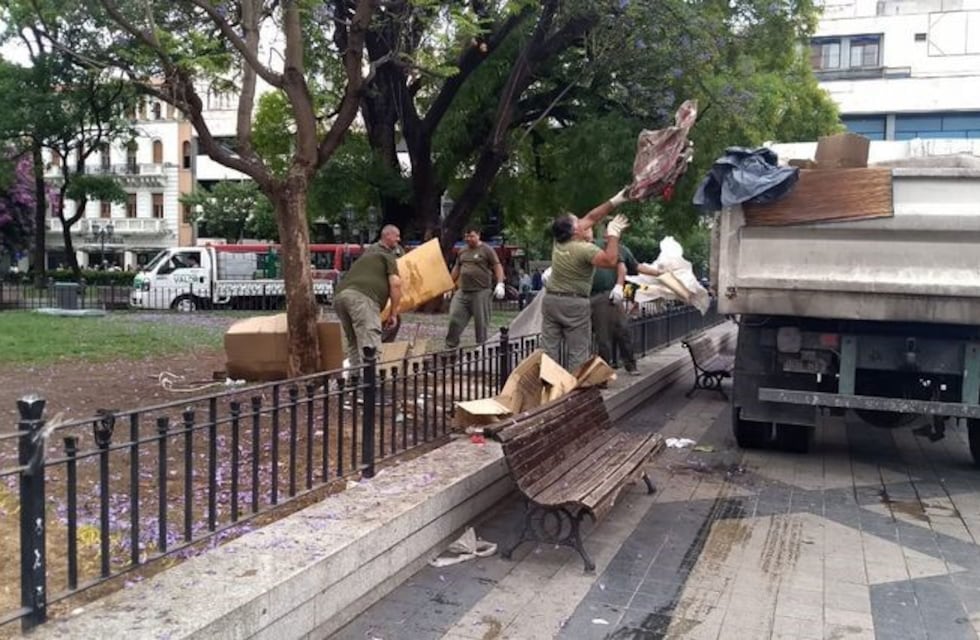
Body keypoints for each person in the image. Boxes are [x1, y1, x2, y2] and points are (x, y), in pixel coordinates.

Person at [542, 188, 631, 372]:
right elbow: (610, 260)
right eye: (578, 221)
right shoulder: (584, 249)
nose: (584, 223)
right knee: (578, 352)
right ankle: (576, 391)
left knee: (550, 350)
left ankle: (549, 388)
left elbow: (592, 216)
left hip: (551, 301)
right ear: (575, 230)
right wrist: (613, 235)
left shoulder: (559, 241)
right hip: (574, 304)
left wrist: (616, 200)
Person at [333, 224, 403, 367]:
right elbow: (395, 284)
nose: (399, 239)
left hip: (340, 297)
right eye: (397, 236)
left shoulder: (368, 255)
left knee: (353, 341)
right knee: (370, 341)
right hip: (362, 298)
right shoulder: (387, 256)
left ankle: (354, 379)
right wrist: (394, 313)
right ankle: (372, 383)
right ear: (387, 235)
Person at [590, 229, 640, 375]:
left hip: (613, 295)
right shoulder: (595, 246)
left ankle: (630, 364)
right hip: (597, 295)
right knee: (603, 335)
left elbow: (635, 270)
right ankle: (604, 371)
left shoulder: (623, 250)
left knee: (623, 330)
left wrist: (659, 273)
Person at [445, 227, 506, 349]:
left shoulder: (487, 250)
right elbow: (457, 268)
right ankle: (450, 347)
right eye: (466, 236)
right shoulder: (462, 251)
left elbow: (497, 266)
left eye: (471, 236)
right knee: (454, 319)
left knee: (481, 324)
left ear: (478, 235)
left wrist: (500, 283)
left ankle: (481, 349)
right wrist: (449, 286)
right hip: (463, 291)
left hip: (481, 291)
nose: (469, 239)